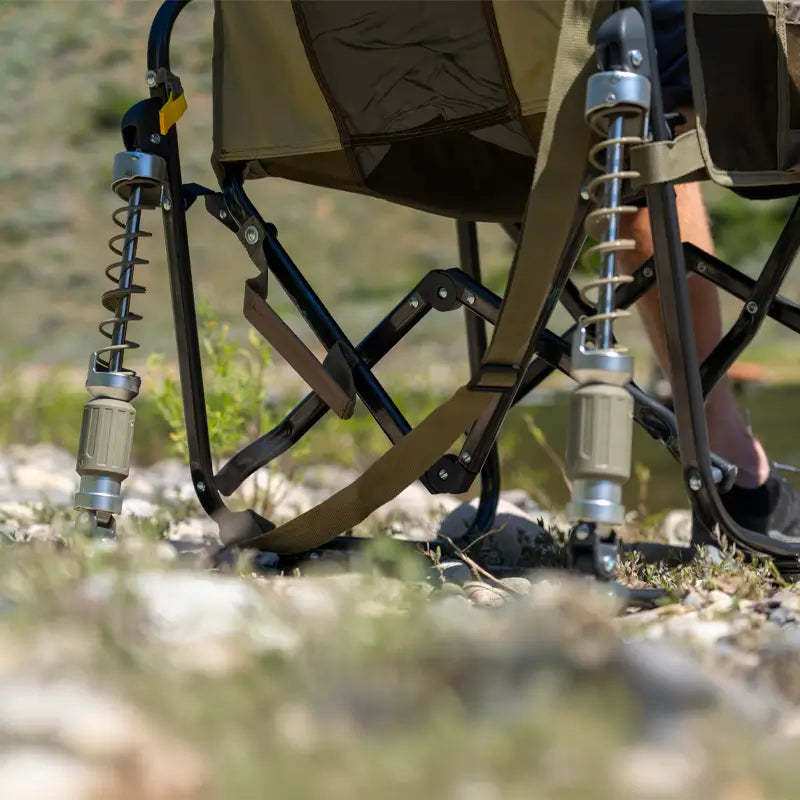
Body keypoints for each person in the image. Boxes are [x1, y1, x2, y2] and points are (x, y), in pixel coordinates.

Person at [625, 0, 800, 539]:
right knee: (645, 110)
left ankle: (725, 453)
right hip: (636, 89)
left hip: (438, 123)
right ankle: (727, 455)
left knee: (630, 110)